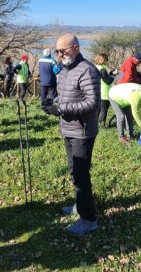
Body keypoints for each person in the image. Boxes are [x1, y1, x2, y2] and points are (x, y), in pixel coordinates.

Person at [41, 34, 100, 236]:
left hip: (82, 132)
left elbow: (93, 103)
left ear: (75, 47)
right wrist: (52, 101)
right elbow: (64, 94)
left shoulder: (87, 70)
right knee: (74, 171)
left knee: (81, 174)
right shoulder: (65, 70)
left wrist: (61, 108)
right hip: (68, 128)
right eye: (57, 51)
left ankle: (89, 219)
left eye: (62, 51)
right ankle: (80, 205)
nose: (59, 55)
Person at [93, 53, 115, 128]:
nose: (107, 61)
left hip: (96, 91)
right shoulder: (102, 69)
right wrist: (113, 75)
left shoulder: (94, 67)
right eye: (106, 59)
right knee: (104, 110)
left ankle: (95, 124)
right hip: (104, 92)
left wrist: (110, 72)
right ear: (103, 60)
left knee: (97, 110)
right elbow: (108, 81)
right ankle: (101, 126)